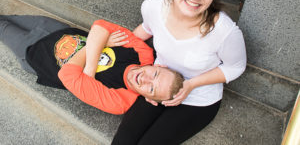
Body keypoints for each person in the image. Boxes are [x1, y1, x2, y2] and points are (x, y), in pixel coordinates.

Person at [111, 0, 247, 144]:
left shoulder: (224, 31)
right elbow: (147, 28)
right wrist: (115, 44)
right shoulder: (154, 6)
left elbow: (235, 67)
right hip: (156, 83)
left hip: (198, 98)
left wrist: (190, 85)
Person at [0, 15, 184, 115]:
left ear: (149, 99)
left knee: (3, 28)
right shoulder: (143, 53)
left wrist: (100, 43)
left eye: (151, 89)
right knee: (9, 18)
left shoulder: (120, 101)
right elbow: (100, 26)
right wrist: (88, 69)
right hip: (58, 30)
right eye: (155, 75)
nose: (145, 79)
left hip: (38, 55)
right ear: (161, 66)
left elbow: (67, 75)